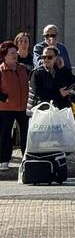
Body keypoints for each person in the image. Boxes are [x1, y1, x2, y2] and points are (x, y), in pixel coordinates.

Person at [0, 42, 31, 171]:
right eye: (11, 53)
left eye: (15, 52)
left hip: (23, 107)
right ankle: (3, 160)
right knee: (5, 135)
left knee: (26, 134)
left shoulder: (23, 68)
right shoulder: (1, 70)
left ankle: (27, 159)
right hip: (5, 109)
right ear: (4, 56)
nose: (15, 55)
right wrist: (5, 98)